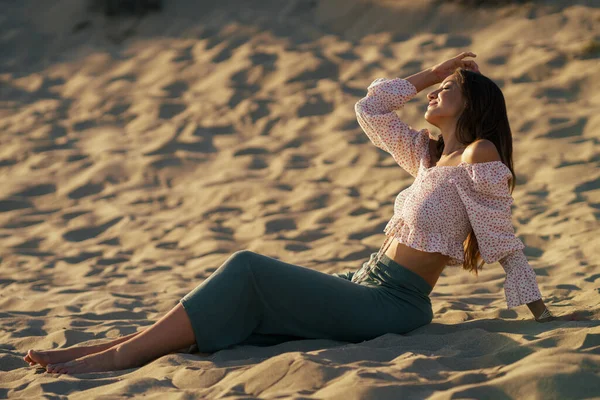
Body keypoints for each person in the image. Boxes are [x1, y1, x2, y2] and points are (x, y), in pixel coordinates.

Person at [25, 51, 563, 375]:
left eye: (449, 90)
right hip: (363, 282)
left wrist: (542, 314)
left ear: (475, 107)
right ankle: (110, 347)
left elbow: (501, 239)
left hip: (392, 304)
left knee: (247, 268)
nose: (435, 94)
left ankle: (118, 359)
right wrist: (432, 72)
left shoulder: (478, 156)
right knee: (244, 304)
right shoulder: (427, 154)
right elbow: (370, 107)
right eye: (437, 88)